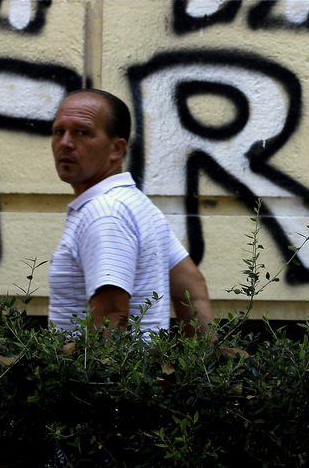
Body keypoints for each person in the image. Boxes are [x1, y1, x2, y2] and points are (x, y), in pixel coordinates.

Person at [47, 88, 213, 336]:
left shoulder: (105, 212)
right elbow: (192, 289)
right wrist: (205, 366)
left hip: (96, 374)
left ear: (116, 148)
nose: (66, 143)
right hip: (136, 372)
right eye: (59, 131)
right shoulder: (137, 205)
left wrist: (97, 373)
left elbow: (112, 315)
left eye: (82, 132)